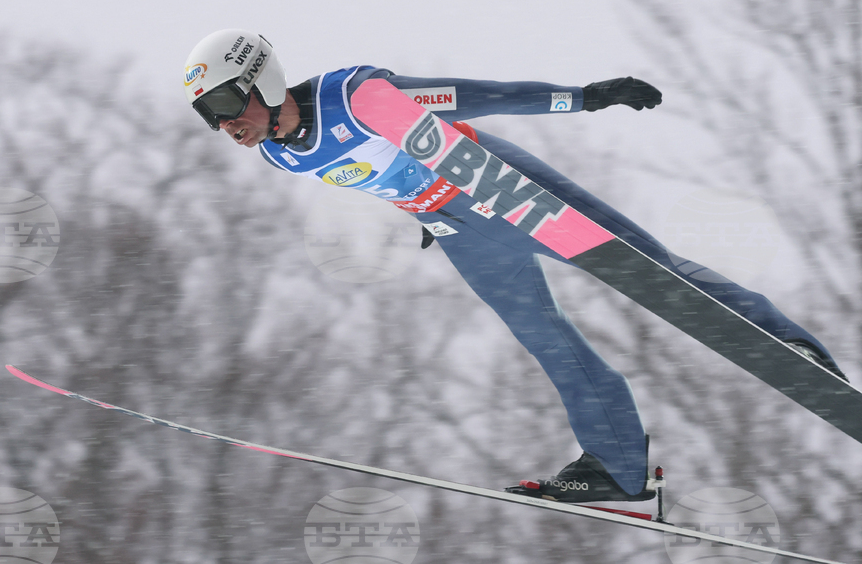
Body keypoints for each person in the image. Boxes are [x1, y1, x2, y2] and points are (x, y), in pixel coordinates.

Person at [182, 29, 845, 503]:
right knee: (545, 338)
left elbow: (473, 97)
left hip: (498, 184)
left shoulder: (354, 97)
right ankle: (618, 466)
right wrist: (414, 219)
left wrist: (581, 97)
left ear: (259, 80)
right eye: (208, 118)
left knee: (653, 271)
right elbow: (380, 175)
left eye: (223, 107)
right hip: (459, 226)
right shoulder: (282, 155)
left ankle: (789, 346)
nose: (224, 127)